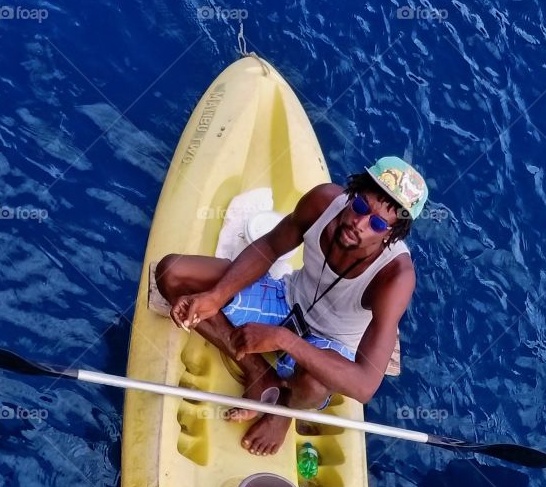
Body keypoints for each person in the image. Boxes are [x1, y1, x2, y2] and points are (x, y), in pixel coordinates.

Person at [154, 157, 427, 455]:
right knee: (173, 274)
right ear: (353, 194)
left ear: (390, 233)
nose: (358, 224)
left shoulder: (396, 277)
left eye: (376, 223)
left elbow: (364, 385)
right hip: (288, 297)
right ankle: (260, 376)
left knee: (313, 384)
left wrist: (283, 339)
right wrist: (216, 296)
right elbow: (270, 246)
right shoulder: (323, 202)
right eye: (360, 206)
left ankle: (283, 411)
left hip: (331, 341)